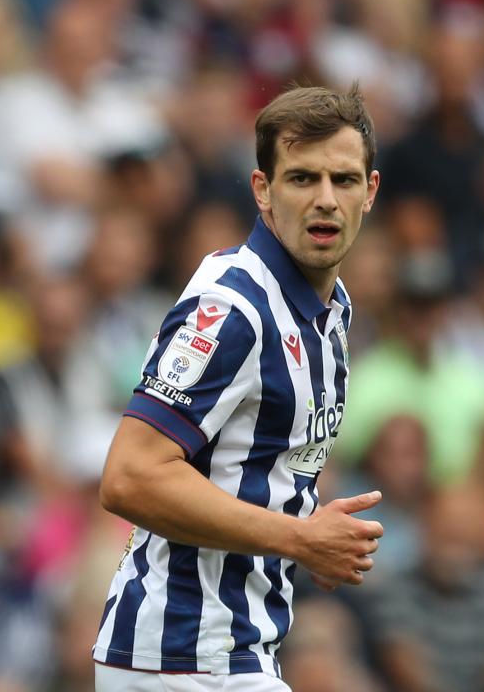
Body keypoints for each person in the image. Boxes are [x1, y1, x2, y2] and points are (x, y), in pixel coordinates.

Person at [93, 85, 384, 691]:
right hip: (182, 656)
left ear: (370, 191)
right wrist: (301, 539)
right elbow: (130, 476)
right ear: (263, 191)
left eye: (344, 180)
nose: (325, 200)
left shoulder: (330, 314)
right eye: (302, 179)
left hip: (237, 648)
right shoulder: (233, 307)